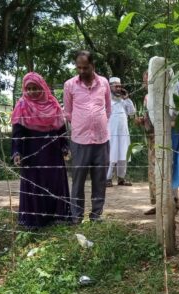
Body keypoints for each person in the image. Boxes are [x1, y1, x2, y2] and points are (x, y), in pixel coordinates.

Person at [11, 72, 71, 228]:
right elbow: (17, 132)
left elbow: (61, 129)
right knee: (34, 184)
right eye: (28, 88)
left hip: (52, 151)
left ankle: (57, 217)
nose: (32, 91)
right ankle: (35, 220)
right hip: (31, 152)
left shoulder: (53, 104)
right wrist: (17, 152)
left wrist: (65, 146)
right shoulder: (22, 106)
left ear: (42, 87)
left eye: (35, 88)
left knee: (55, 182)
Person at [64, 50, 111, 223]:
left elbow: (108, 109)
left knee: (100, 180)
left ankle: (96, 216)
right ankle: (77, 217)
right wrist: (81, 124)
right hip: (79, 141)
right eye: (79, 68)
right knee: (78, 181)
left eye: (86, 67)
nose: (82, 71)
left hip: (101, 140)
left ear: (93, 66)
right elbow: (68, 112)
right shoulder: (70, 85)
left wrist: (97, 123)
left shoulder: (104, 83)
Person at [106, 77, 135, 187]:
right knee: (111, 154)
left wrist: (127, 98)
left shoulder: (123, 100)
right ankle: (107, 179)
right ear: (110, 87)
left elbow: (132, 112)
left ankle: (121, 178)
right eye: (116, 86)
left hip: (123, 133)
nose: (118, 88)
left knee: (124, 153)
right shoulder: (106, 100)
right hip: (111, 132)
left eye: (120, 86)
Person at [137, 71, 158, 215]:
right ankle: (157, 203)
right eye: (144, 80)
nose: (145, 83)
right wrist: (141, 120)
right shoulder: (146, 98)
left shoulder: (160, 97)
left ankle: (167, 202)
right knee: (152, 171)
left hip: (160, 137)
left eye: (148, 80)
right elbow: (147, 117)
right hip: (150, 137)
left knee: (159, 170)